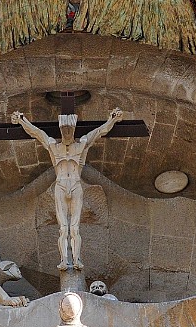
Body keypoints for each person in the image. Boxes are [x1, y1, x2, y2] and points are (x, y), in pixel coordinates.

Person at [11, 108, 123, 270]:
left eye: (70, 131)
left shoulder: (82, 144)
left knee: (75, 228)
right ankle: (64, 260)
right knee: (63, 228)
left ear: (74, 131)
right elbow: (36, 133)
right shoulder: (53, 146)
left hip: (76, 186)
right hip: (61, 186)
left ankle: (76, 260)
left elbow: (99, 132)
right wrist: (22, 120)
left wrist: (112, 120)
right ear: (61, 131)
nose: (67, 134)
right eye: (65, 131)